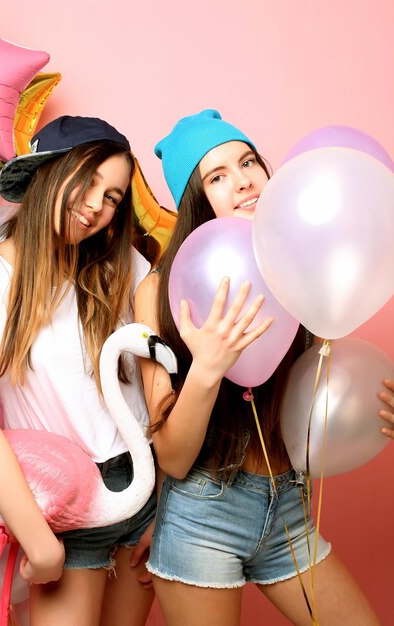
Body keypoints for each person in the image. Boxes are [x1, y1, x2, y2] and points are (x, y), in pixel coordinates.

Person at [135, 109, 391, 625]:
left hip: (290, 508)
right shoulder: (160, 290)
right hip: (204, 514)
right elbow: (174, 459)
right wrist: (207, 368)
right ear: (197, 201)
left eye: (248, 160)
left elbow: (318, 392)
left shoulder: (301, 264)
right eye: (217, 176)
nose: (245, 180)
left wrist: (376, 411)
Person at [0, 115, 156, 625]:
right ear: (48, 171)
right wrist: (40, 543)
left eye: (113, 196)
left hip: (143, 490)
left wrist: (169, 503)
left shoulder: (123, 266)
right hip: (64, 503)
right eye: (88, 181)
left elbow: (162, 388)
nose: (96, 205)